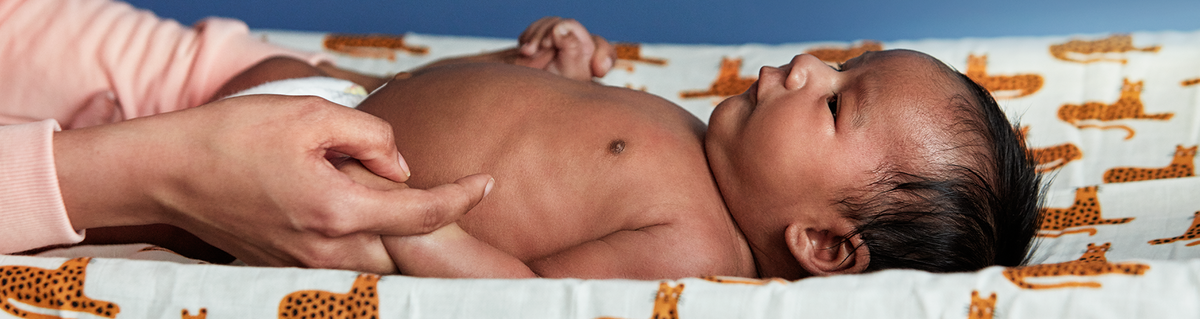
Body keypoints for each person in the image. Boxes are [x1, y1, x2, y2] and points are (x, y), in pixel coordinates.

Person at [211, 18, 1042, 279]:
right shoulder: (698, 145)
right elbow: (548, 136)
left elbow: (528, 292)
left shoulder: (691, 241)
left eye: (834, 102)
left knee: (128, 174)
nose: (807, 66)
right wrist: (554, 74)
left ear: (822, 243)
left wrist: (416, 225)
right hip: (329, 94)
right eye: (845, 64)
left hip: (310, 180)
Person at [0, 0, 495, 274]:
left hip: (294, 102)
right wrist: (159, 170)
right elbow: (534, 299)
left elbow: (23, 24)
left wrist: (379, 80)